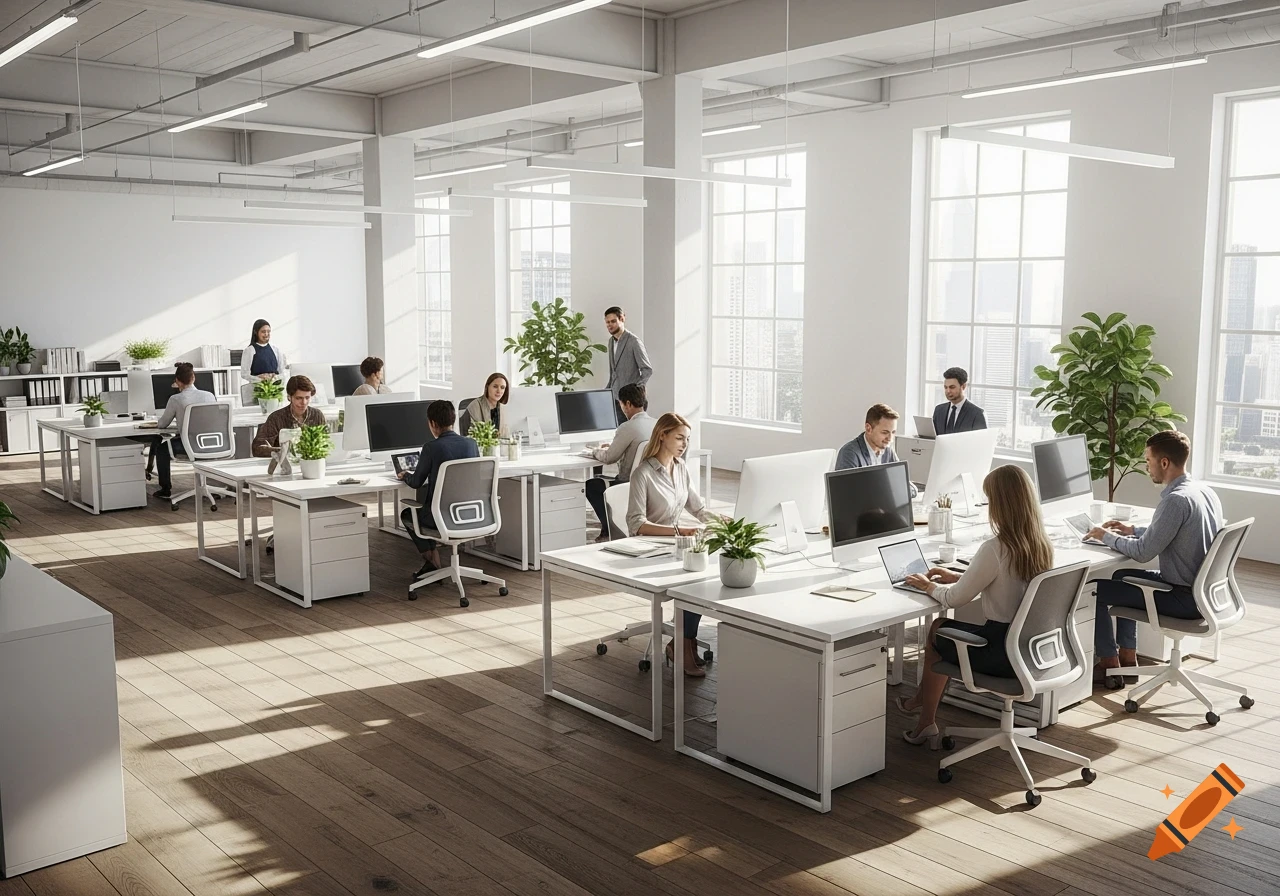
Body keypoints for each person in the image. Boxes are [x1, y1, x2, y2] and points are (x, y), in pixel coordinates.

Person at [897, 465, 1055, 747]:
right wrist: (962, 577)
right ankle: (919, 700)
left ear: (1000, 505)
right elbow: (1010, 583)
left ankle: (926, 723)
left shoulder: (995, 548)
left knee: (938, 630)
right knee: (943, 629)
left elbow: (952, 600)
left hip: (1002, 652)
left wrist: (928, 585)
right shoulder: (1041, 543)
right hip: (1030, 648)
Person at [1085, 430, 1222, 688]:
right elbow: (1177, 532)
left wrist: (1104, 536)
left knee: (1094, 591)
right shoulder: (1202, 491)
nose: (1147, 467)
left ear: (1164, 462)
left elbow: (1142, 553)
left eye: (1148, 460)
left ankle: (1108, 663)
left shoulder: (1175, 500)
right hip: (1202, 592)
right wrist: (1132, 530)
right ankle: (1127, 658)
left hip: (1182, 597)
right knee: (1120, 577)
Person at [627, 412, 717, 677]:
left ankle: (683, 643)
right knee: (695, 584)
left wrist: (725, 520)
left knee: (704, 579)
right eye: (679, 438)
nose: (684, 444)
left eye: (687, 439)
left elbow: (698, 509)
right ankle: (682, 646)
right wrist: (679, 530)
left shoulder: (680, 469)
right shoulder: (642, 473)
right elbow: (636, 524)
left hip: (677, 546)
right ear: (662, 435)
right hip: (650, 550)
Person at [397, 400, 479, 578]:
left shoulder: (431, 447)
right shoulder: (472, 444)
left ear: (432, 423)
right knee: (428, 498)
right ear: (454, 420)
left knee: (408, 514)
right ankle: (433, 562)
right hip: (470, 514)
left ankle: (431, 560)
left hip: (441, 518)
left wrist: (405, 475)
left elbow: (417, 482)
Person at [584, 384, 656, 542]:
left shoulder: (627, 427)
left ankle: (610, 529)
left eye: (622, 404)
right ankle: (609, 529)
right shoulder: (657, 425)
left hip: (628, 483)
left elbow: (610, 458)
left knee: (591, 485)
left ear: (628, 404)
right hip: (652, 483)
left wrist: (594, 451)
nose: (622, 408)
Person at [147, 362, 215, 500]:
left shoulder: (176, 399)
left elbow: (163, 424)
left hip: (188, 444)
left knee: (161, 449)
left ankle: (165, 489)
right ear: (193, 377)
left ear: (177, 381)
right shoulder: (209, 396)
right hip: (210, 443)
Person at [252, 375, 325, 457]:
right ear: (289, 397)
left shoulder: (317, 415)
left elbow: (324, 444)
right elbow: (257, 448)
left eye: (307, 398)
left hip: (312, 463)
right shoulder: (276, 418)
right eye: (298, 398)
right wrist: (284, 451)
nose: (304, 402)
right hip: (283, 465)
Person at [604, 306, 652, 421]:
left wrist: (636, 389)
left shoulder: (634, 341)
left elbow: (647, 370)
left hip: (631, 402)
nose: (609, 325)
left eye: (613, 321)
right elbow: (613, 373)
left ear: (622, 319)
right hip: (615, 399)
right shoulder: (611, 342)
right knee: (618, 433)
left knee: (631, 434)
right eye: (607, 322)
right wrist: (606, 392)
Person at [837, 403, 906, 470]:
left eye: (893, 432)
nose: (890, 439)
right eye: (885, 432)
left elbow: (901, 479)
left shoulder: (888, 451)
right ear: (868, 428)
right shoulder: (849, 453)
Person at [932, 367, 987, 435]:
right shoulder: (939, 410)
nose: (948, 391)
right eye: (945, 387)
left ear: (963, 386)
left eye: (952, 387)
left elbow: (981, 442)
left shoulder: (977, 414)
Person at [463, 373, 510, 440]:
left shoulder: (502, 408)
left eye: (502, 388)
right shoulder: (475, 405)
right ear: (487, 387)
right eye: (495, 386)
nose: (499, 391)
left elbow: (505, 436)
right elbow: (472, 436)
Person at [240, 319, 288, 384]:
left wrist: (274, 378)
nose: (266, 334)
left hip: (275, 389)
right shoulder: (250, 350)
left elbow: (282, 372)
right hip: (257, 389)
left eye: (268, 331)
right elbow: (244, 374)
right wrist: (259, 379)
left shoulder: (275, 350)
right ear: (256, 332)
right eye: (263, 331)